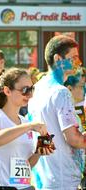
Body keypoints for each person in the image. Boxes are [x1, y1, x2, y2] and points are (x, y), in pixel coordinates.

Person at [28, 35, 85, 190]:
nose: (78, 63)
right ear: (58, 59)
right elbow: (74, 139)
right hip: (63, 178)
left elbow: (45, 133)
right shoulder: (61, 92)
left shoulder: (37, 88)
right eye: (73, 57)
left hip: (45, 176)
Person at [0, 68, 53, 190]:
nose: (30, 95)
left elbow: (27, 165)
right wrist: (29, 126)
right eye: (25, 90)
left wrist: (39, 151)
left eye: (31, 89)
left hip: (25, 186)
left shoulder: (25, 122)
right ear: (7, 91)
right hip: (5, 187)